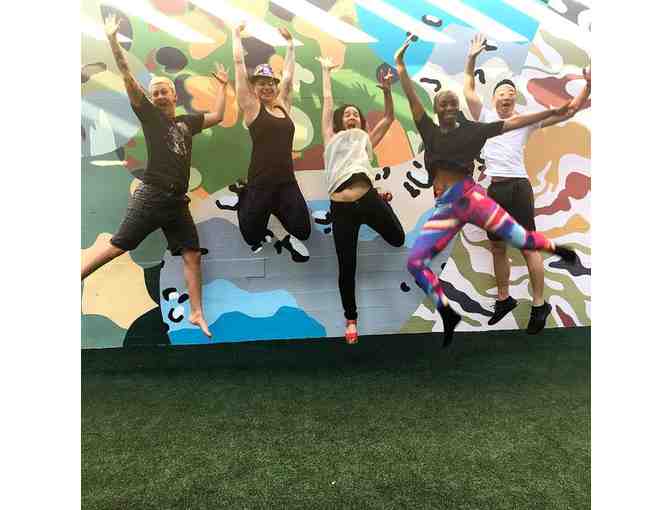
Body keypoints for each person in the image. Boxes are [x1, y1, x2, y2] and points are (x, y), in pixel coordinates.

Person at [395, 36, 578, 347]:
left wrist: (549, 113)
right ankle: (448, 313)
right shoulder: (428, 128)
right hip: (446, 206)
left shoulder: (474, 130)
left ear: (459, 109)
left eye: (453, 103)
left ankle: (559, 251)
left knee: (521, 239)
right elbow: (413, 97)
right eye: (443, 104)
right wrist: (401, 66)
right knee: (415, 263)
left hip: (472, 197)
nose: (449, 106)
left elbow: (516, 122)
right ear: (436, 109)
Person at [81, 14, 229, 339]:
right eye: (155, 93)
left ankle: (197, 313)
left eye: (164, 91)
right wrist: (114, 43)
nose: (160, 96)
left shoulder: (187, 123)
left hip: (176, 202)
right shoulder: (149, 116)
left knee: (192, 255)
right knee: (119, 245)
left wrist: (222, 86)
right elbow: (128, 78)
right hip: (152, 195)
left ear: (174, 96)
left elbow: (218, 115)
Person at [464, 34, 592, 333]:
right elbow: (468, 87)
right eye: (501, 92)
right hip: (495, 190)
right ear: (494, 99)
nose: (506, 95)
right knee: (497, 247)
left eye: (511, 92)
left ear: (514, 100)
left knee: (528, 248)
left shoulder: (526, 120)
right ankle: (504, 299)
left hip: (518, 189)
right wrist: (471, 58)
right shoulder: (484, 116)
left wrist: (588, 85)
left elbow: (570, 109)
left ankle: (538, 304)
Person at [317, 56, 404, 344]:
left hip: (367, 199)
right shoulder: (331, 138)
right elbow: (327, 103)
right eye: (347, 114)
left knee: (398, 239)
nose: (352, 116)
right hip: (341, 208)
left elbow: (389, 118)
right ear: (340, 121)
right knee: (347, 266)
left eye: (356, 114)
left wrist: (388, 91)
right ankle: (351, 320)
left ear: (361, 121)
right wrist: (325, 72)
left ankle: (381, 198)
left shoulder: (365, 139)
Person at [232, 22, 310, 253]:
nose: (266, 87)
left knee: (303, 230)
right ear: (254, 87)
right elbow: (239, 65)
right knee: (251, 235)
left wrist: (290, 45)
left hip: (286, 181)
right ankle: (244, 195)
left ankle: (276, 205)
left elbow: (288, 76)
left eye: (270, 83)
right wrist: (236, 35)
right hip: (260, 182)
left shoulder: (283, 105)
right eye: (261, 84)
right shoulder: (251, 107)